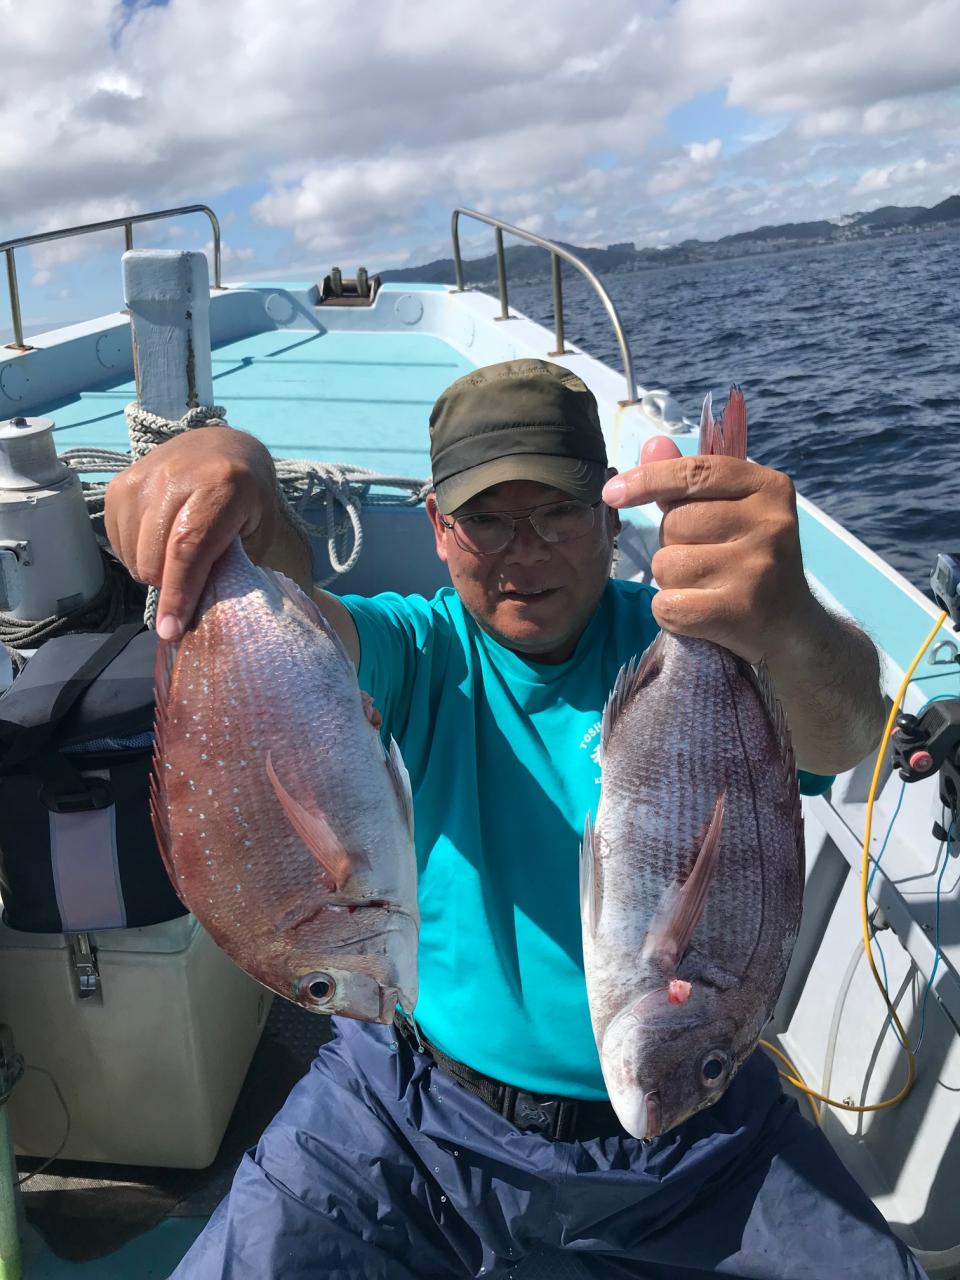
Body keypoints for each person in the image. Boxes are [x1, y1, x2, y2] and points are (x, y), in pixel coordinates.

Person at [106, 359, 923, 1280]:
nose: (523, 553)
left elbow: (846, 729)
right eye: (486, 520)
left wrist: (789, 621)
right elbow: (298, 629)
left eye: (558, 513)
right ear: (437, 528)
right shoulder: (419, 649)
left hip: (695, 1129)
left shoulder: (703, 642)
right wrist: (233, 476)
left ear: (609, 517)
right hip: (407, 1108)